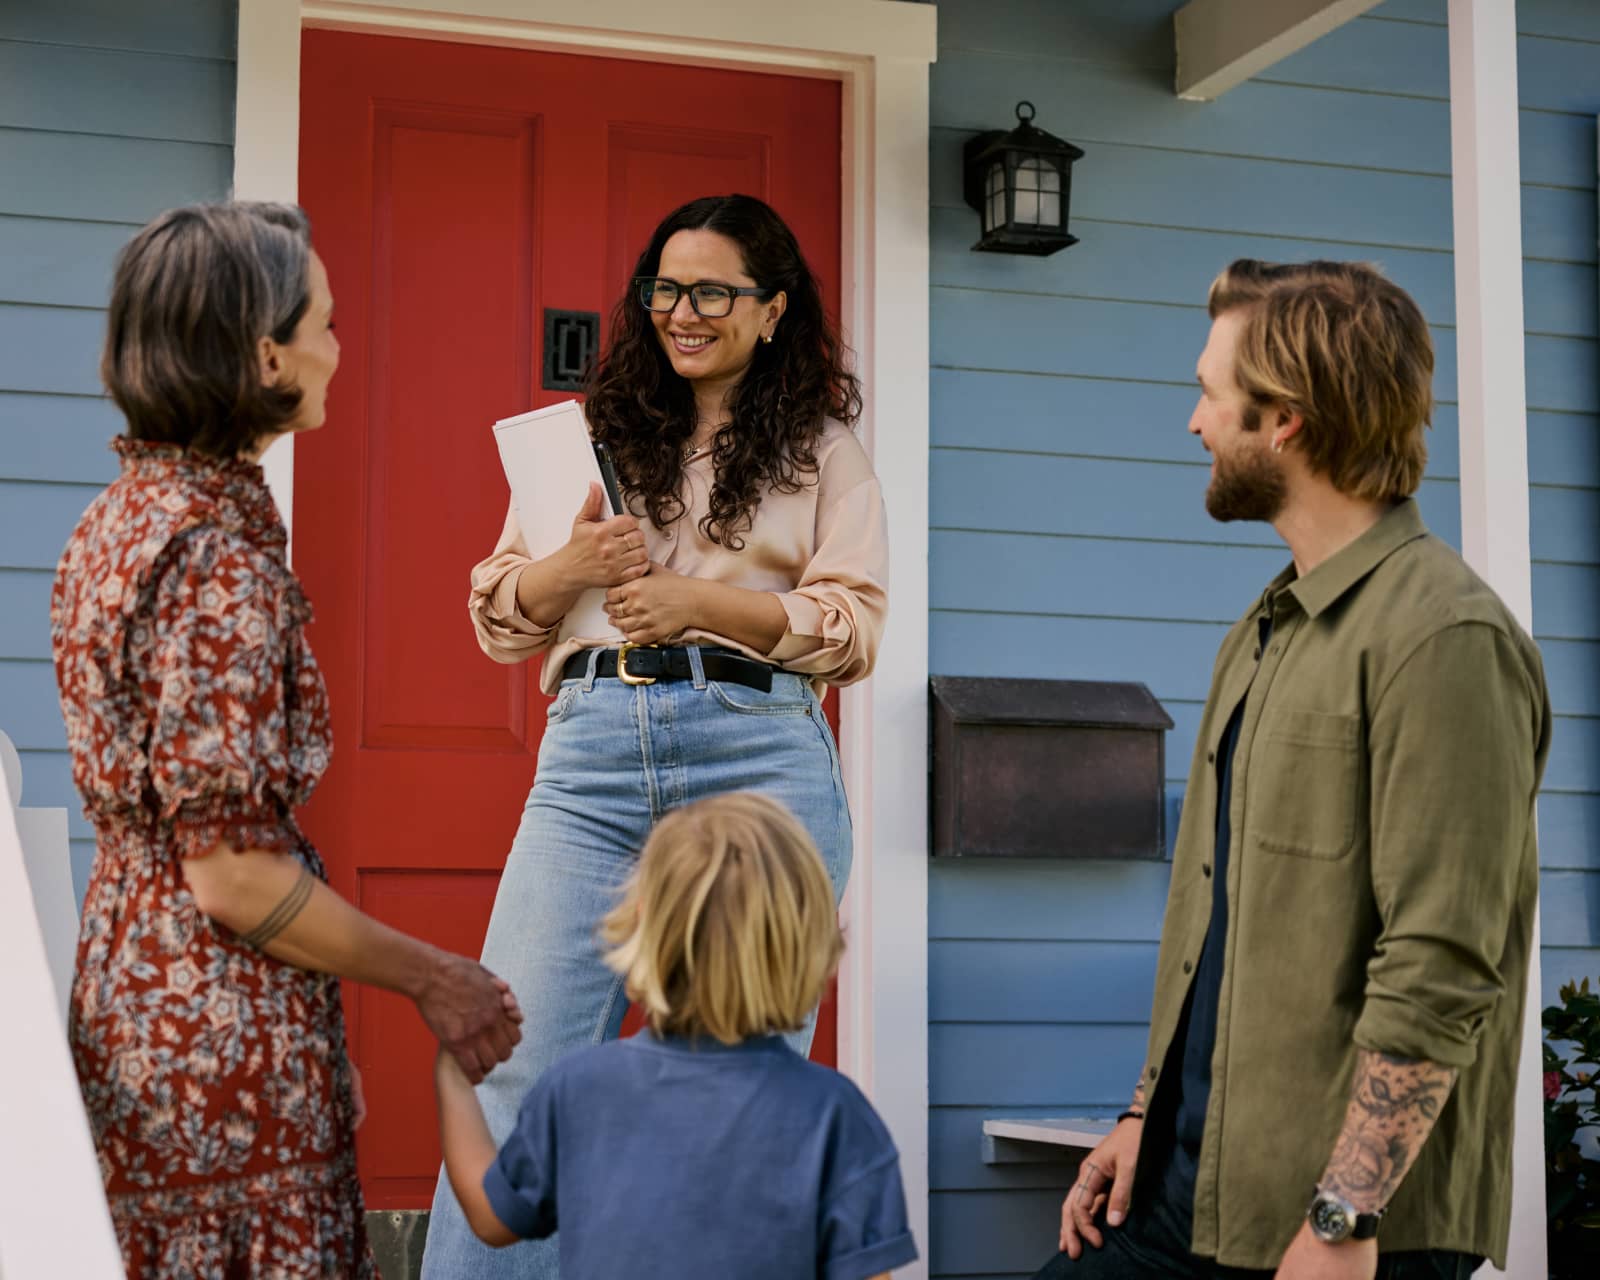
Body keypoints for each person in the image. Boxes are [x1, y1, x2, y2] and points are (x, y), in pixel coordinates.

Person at [1034, 260, 1550, 1280]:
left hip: (1333, 1230)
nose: (1193, 422)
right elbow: (1214, 918)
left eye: (1210, 392)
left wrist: (1342, 1215)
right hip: (1187, 1193)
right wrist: (1144, 1112)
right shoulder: (1267, 627)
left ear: (1285, 421)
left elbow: (1442, 957)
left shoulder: (1443, 635)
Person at [50, 202, 524, 1278]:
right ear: (268, 353)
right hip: (216, 1033)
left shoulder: (114, 520)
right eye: (327, 321)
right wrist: (435, 976)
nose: (337, 346)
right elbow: (233, 876)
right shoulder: (216, 560)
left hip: (128, 984)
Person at [422, 193, 888, 1277]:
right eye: (666, 289)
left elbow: (853, 626)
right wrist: (567, 570)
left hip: (756, 757)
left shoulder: (824, 453)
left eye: (713, 291)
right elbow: (499, 613)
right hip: (588, 757)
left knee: (742, 1094)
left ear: (772, 310)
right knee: (514, 1060)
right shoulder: (587, 437)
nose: (684, 311)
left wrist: (697, 604)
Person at [432, 791, 918, 1279]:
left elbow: (493, 1217)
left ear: (643, 924)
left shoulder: (580, 1090)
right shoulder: (836, 1114)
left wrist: (455, 1079)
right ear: (805, 945)